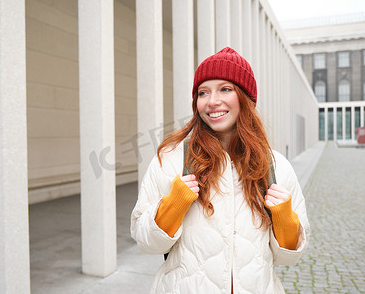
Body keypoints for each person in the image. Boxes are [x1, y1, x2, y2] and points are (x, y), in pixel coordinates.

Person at [131, 47, 310, 293]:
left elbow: (289, 258)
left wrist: (284, 218)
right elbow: (145, 241)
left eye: (225, 89)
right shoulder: (171, 159)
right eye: (203, 92)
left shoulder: (276, 166)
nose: (212, 101)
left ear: (245, 98)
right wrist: (172, 206)